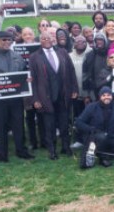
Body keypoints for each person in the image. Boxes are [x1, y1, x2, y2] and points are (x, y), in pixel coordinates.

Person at [0, 30, 34, 162]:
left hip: (16, 97)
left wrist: (27, 79)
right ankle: (2, 153)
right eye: (4, 40)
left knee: (18, 123)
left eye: (9, 40)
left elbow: (24, 72)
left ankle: (21, 150)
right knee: (0, 125)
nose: (7, 42)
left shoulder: (17, 56)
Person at [29, 31, 79, 160]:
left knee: (64, 123)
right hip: (45, 96)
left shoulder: (62, 52)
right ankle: (52, 150)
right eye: (44, 38)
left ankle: (65, 147)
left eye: (49, 37)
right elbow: (32, 79)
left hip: (63, 95)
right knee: (49, 126)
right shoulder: (35, 57)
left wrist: (74, 88)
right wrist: (35, 99)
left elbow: (71, 71)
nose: (47, 40)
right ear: (40, 41)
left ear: (53, 39)